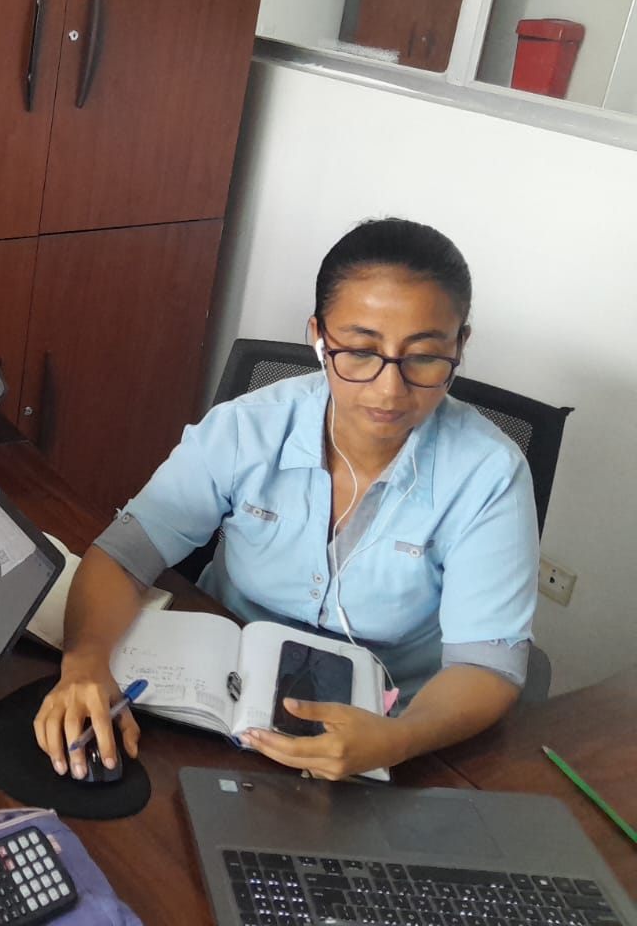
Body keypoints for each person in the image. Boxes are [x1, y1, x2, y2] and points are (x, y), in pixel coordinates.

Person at [34, 219, 538, 783]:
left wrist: (399, 739)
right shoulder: (246, 429)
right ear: (318, 336)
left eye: (423, 357)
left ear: (459, 346)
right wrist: (84, 663)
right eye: (361, 350)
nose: (389, 389)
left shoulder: (489, 475)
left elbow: (486, 666)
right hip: (215, 699)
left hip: (386, 730)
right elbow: (124, 555)